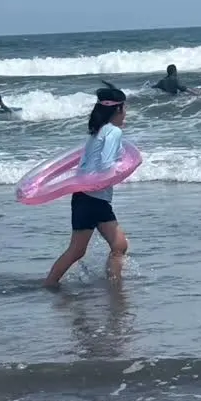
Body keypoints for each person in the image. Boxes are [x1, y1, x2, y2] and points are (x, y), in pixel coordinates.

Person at [45, 82, 129, 287]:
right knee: (117, 246)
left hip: (83, 196)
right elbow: (106, 164)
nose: (126, 112)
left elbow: (86, 165)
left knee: (84, 249)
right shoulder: (113, 132)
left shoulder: (97, 131)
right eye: (124, 107)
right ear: (118, 108)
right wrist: (122, 170)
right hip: (95, 199)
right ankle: (114, 288)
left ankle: (50, 283)